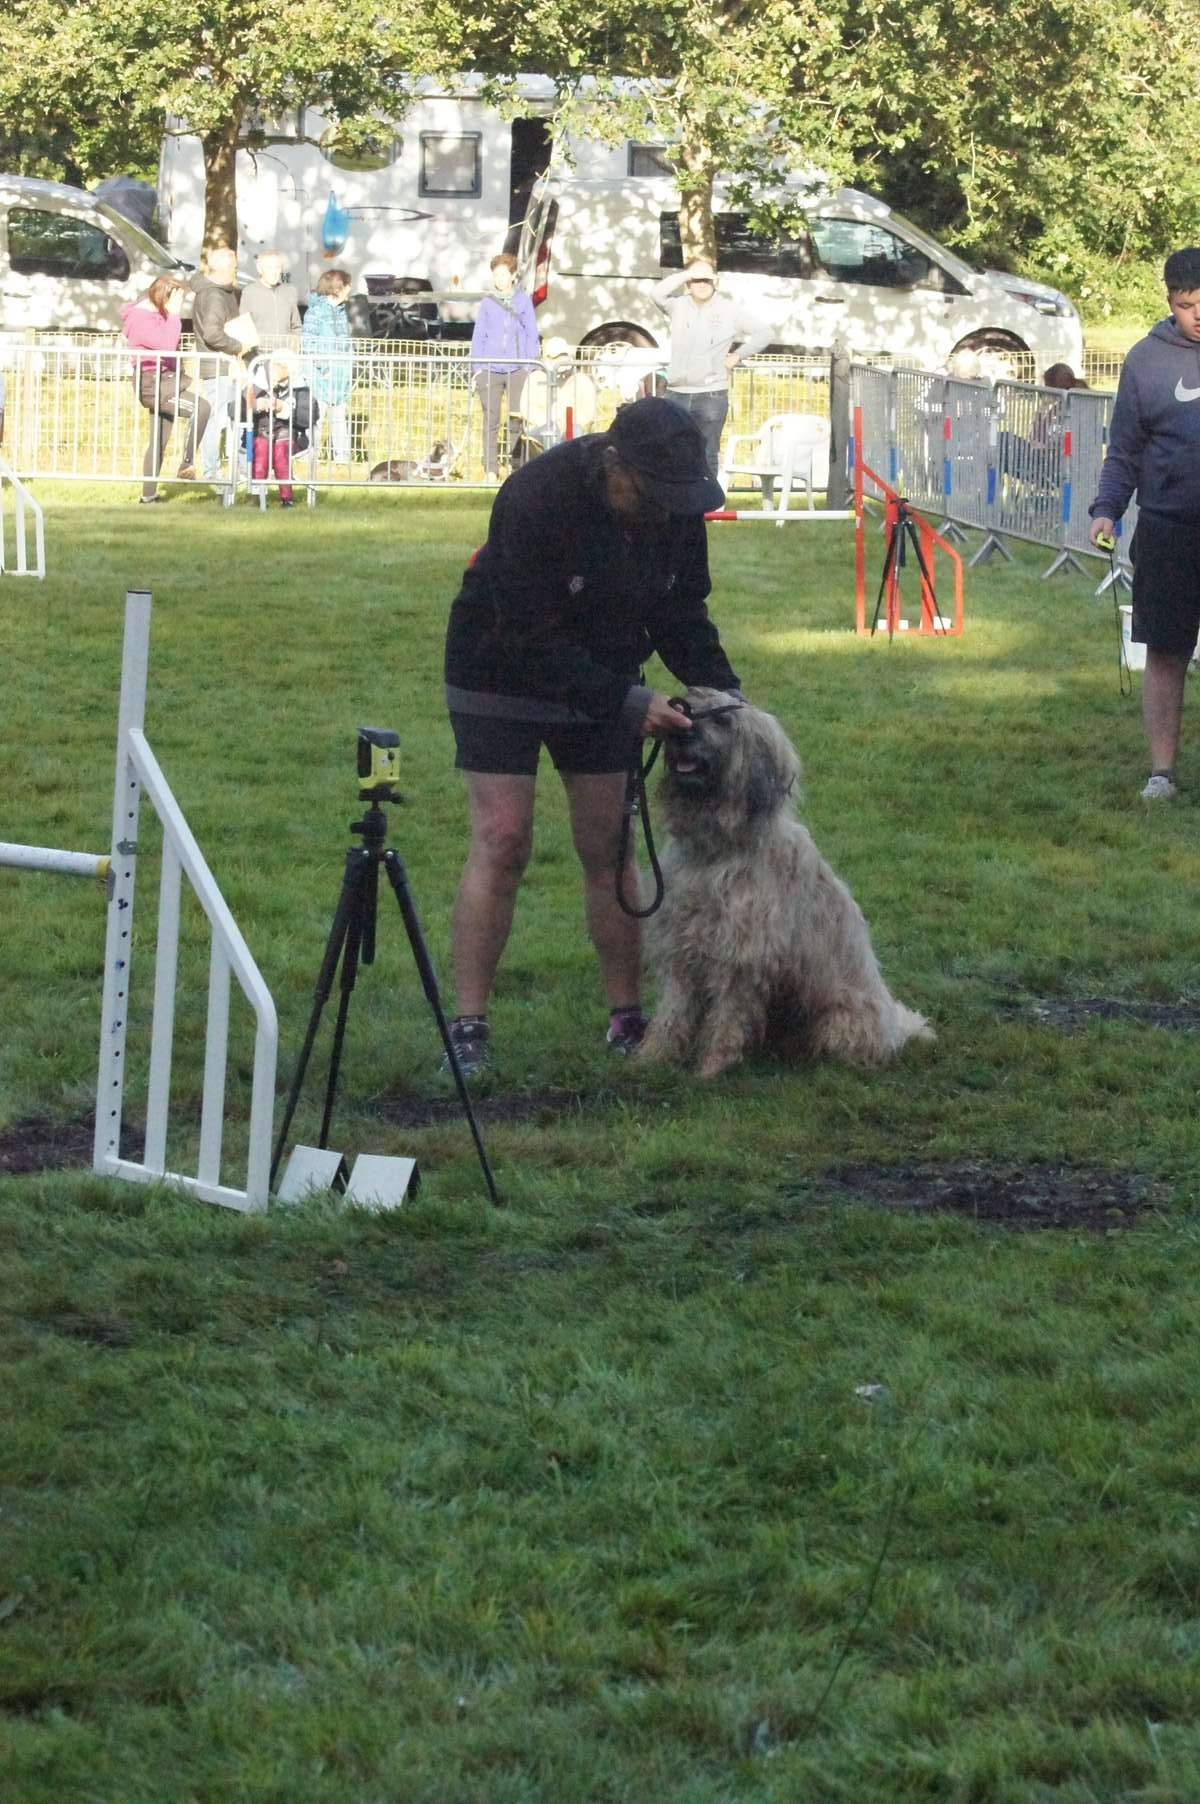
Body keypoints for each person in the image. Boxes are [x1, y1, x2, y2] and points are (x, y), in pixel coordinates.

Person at [441, 395, 741, 1076]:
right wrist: (630, 701)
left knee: (609, 842)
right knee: (503, 838)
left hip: (604, 665)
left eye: (677, 499)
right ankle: (468, 1029)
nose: (665, 512)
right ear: (614, 463)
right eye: (651, 494)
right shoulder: (535, 496)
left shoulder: (675, 511)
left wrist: (727, 697)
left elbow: (680, 612)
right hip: (498, 666)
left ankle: (627, 1020)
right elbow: (525, 634)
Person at [1089, 247, 1200, 801]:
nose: (1198, 314)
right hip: (1167, 528)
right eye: (1187, 305)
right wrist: (1106, 508)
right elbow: (1125, 450)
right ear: (1169, 302)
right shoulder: (1145, 361)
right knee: (1165, 649)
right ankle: (1162, 773)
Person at [651, 258, 772, 479]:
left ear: (715, 281)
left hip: (711, 395)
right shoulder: (676, 306)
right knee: (671, 453)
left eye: (707, 279)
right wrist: (686, 274)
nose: (701, 284)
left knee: (707, 454)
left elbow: (765, 333)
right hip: (676, 394)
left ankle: (705, 510)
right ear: (688, 282)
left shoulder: (729, 310)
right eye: (696, 279)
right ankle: (677, 509)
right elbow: (657, 294)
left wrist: (738, 355)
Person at [120, 274, 210, 504]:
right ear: (165, 297)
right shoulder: (142, 318)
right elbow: (167, 345)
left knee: (159, 439)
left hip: (165, 381)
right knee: (201, 407)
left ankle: (148, 496)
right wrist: (175, 314)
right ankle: (187, 463)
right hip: (153, 383)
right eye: (177, 300)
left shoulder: (154, 314)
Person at [470, 252, 538, 480]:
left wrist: (529, 363)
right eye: (495, 275)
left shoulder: (523, 301)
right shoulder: (488, 302)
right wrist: (477, 366)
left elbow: (531, 333)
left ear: (513, 275)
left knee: (516, 418)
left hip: (517, 367)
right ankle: (490, 467)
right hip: (490, 368)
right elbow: (478, 335)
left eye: (503, 274)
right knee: (491, 418)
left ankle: (514, 464)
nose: (498, 279)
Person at [191, 246, 252, 484]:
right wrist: (238, 347)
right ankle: (212, 473)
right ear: (225, 268)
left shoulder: (217, 292)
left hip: (225, 366)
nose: (236, 271)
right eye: (234, 267)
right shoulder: (215, 295)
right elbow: (212, 333)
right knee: (217, 421)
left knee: (231, 419)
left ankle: (231, 471)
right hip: (219, 366)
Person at [508, 336, 598, 466]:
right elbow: (526, 408)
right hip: (540, 427)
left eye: (563, 356)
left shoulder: (582, 381)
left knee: (575, 433)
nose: (561, 361)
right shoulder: (535, 378)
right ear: (547, 358)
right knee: (550, 432)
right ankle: (555, 471)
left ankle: (568, 472)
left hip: (571, 428)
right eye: (556, 357)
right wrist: (545, 421)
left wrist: (568, 423)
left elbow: (588, 413)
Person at [245, 349, 317, 508]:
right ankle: (258, 496)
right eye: (275, 364)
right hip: (259, 434)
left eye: (280, 365)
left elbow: (309, 416)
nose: (275, 368)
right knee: (262, 449)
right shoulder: (258, 383)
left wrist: (282, 408)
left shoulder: (300, 387)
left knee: (280, 450)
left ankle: (287, 498)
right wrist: (256, 405)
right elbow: (235, 408)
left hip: (290, 437)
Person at [301, 267, 354, 474]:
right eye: (346, 286)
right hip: (321, 375)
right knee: (317, 415)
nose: (349, 290)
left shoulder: (342, 312)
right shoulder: (315, 312)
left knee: (339, 415)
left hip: (341, 375)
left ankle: (342, 457)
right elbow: (309, 343)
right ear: (337, 288)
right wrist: (323, 368)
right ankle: (307, 453)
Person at [239, 249, 301, 344]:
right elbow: (244, 327)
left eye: (277, 267)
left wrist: (292, 349)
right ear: (259, 269)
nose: (274, 272)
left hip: (284, 355)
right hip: (259, 356)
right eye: (269, 267)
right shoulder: (249, 292)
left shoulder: (289, 292)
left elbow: (296, 326)